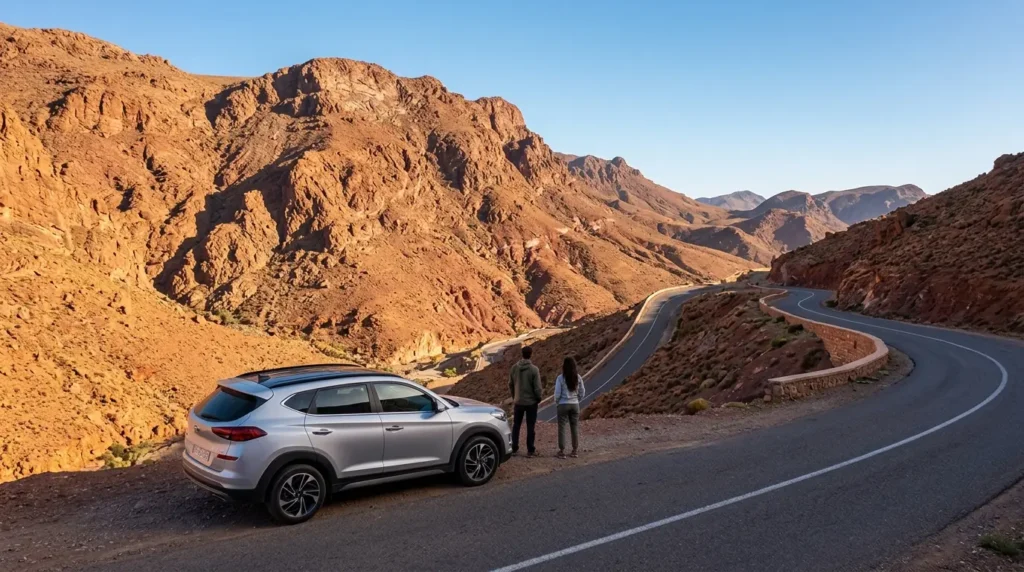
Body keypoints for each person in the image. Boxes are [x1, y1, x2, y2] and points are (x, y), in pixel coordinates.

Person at [508, 345, 542, 457]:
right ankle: (530, 450)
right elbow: (537, 387)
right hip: (531, 403)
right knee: (530, 426)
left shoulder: (514, 368)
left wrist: (515, 397)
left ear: (522, 354)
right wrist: (538, 397)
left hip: (518, 402)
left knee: (516, 425)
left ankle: (514, 448)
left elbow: (510, 384)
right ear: (531, 354)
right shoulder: (534, 369)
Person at [553, 356, 586, 459]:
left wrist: (557, 402)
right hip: (575, 404)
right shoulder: (578, 377)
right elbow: (582, 391)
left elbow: (557, 393)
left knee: (562, 427)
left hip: (563, 404)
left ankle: (562, 451)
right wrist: (577, 399)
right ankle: (574, 450)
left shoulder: (560, 378)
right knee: (574, 426)